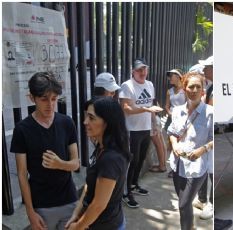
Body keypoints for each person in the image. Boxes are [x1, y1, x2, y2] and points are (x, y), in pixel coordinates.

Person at [10, 72, 79, 229]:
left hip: (69, 200)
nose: (50, 104)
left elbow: (75, 164)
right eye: (44, 99)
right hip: (41, 205)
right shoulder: (22, 129)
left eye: (54, 99)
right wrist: (30, 212)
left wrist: (60, 164)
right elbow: (22, 174)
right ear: (32, 98)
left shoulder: (66, 123)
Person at [65, 97, 130, 230]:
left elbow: (98, 205)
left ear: (107, 122)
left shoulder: (110, 158)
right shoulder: (101, 147)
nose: (85, 122)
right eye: (86, 117)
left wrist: (77, 227)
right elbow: (89, 185)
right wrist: (77, 213)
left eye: (91, 118)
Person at [168, 73, 213, 230]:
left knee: (183, 203)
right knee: (183, 205)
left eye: (198, 87)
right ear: (184, 88)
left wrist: (203, 149)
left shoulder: (210, 112)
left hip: (197, 167)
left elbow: (215, 139)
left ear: (203, 91)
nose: (194, 90)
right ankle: (189, 226)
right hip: (177, 164)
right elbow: (172, 132)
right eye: (190, 86)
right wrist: (174, 145)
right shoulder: (177, 111)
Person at [119, 58, 163, 208]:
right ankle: (125, 192)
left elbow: (151, 106)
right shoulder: (127, 85)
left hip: (145, 128)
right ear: (133, 71)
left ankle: (134, 184)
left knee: (141, 158)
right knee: (132, 160)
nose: (142, 72)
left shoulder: (150, 85)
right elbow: (126, 108)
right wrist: (145, 109)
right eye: (139, 70)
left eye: (144, 69)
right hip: (132, 130)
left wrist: (154, 124)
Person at [192, 56, 214, 220]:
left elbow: (210, 110)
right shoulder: (211, 86)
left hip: (211, 135)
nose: (203, 70)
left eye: (206, 67)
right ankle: (202, 199)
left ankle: (211, 204)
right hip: (205, 133)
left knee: (212, 169)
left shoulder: (216, 87)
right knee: (203, 166)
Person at [163, 69, 186, 176]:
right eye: (169, 76)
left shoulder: (185, 90)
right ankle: (173, 168)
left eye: (171, 75)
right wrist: (170, 113)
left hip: (183, 120)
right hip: (172, 120)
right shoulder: (169, 91)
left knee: (181, 144)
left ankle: (180, 167)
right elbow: (166, 106)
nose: (170, 78)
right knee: (172, 144)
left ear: (178, 76)